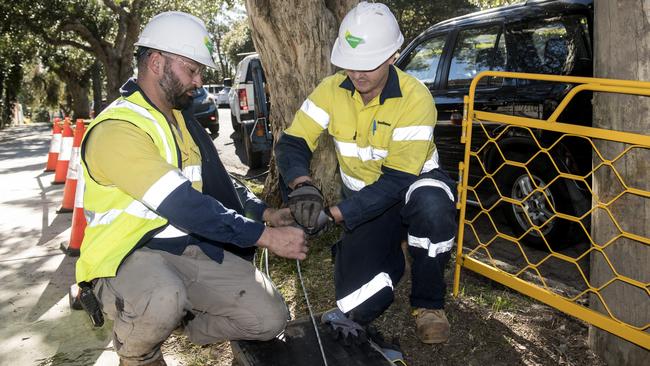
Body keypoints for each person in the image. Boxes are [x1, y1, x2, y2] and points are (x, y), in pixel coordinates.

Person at [76, 12, 307, 366]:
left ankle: (180, 318)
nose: (199, 81)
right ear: (156, 62)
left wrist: (264, 212)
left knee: (269, 318)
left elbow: (216, 183)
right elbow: (183, 204)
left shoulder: (179, 119)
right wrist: (263, 236)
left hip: (188, 250)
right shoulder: (117, 129)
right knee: (162, 295)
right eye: (192, 70)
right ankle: (139, 352)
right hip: (126, 259)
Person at [275, 2, 457, 345]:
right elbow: (292, 141)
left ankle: (429, 303)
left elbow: (397, 181)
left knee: (433, 211)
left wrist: (332, 215)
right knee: (354, 304)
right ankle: (396, 251)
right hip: (365, 201)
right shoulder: (331, 90)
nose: (358, 74)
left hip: (413, 189)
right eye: (350, 64)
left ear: (393, 56)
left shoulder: (416, 98)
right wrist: (302, 185)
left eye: (368, 65)